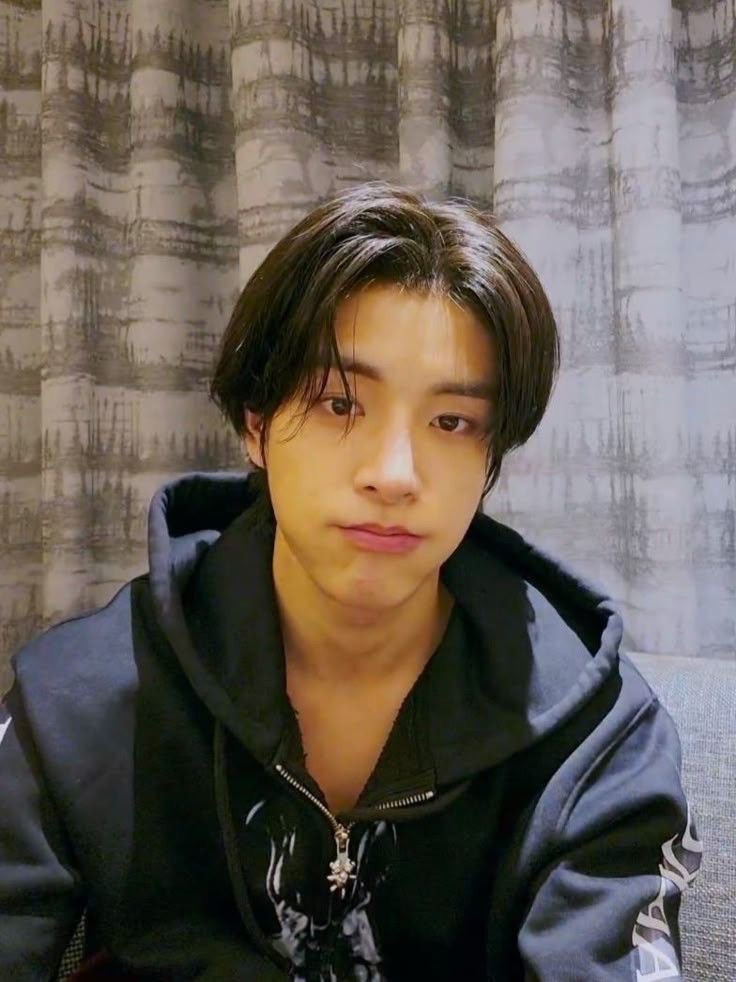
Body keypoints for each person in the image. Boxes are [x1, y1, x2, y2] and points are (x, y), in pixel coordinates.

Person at [0, 182, 702, 981]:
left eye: (451, 422)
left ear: (490, 456)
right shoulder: (79, 702)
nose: (394, 474)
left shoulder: (600, 741)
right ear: (256, 423)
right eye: (340, 403)